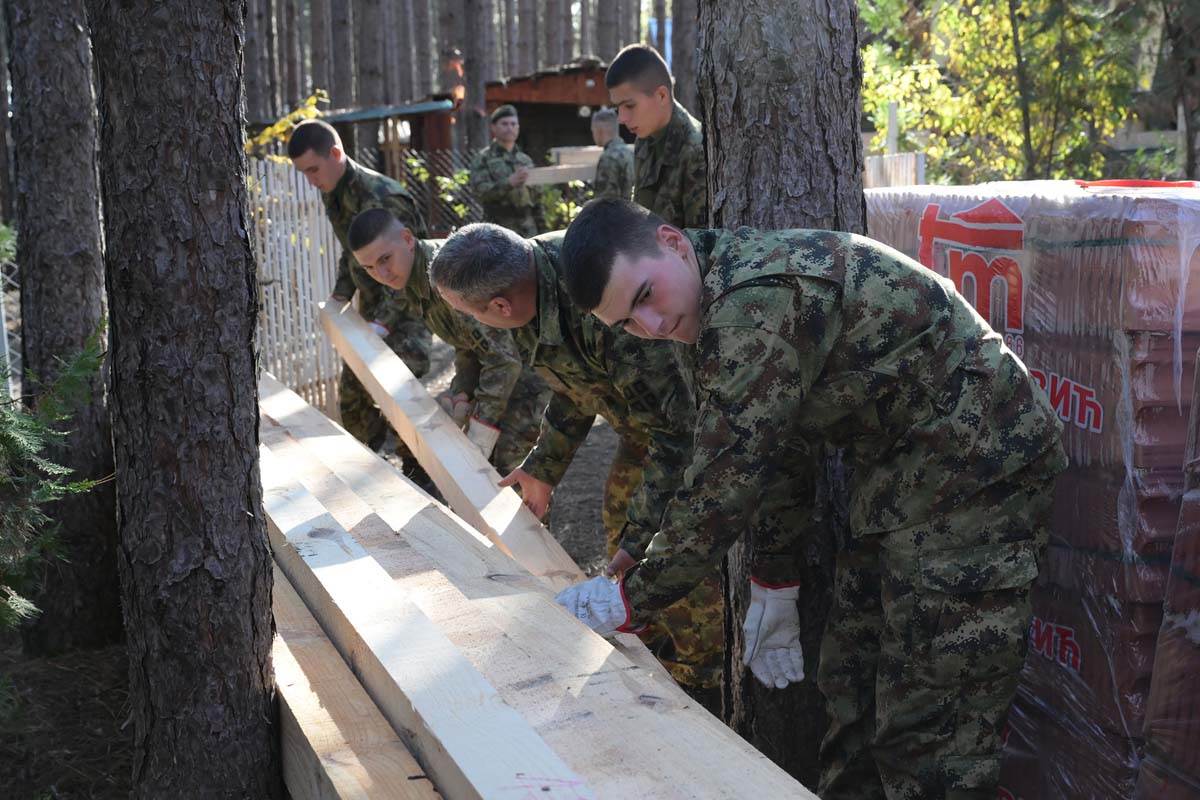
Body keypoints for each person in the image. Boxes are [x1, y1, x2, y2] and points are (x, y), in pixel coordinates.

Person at [555, 199, 1068, 800]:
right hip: (903, 478)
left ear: (672, 242)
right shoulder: (707, 303)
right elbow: (774, 448)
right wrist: (773, 575)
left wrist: (630, 598)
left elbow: (725, 481)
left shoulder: (754, 304)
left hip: (979, 471)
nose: (652, 327)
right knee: (851, 687)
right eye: (628, 325)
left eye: (644, 298)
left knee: (931, 730)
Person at [428, 222, 724, 708]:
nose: (476, 325)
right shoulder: (527, 286)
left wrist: (640, 542)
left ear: (500, 307)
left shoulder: (601, 298)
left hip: (704, 433)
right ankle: (653, 651)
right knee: (622, 535)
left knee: (670, 560)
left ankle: (704, 685)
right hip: (649, 425)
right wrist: (543, 467)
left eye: (470, 314)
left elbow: (679, 430)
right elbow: (574, 385)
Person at [286, 120, 433, 484]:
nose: (311, 181)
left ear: (336, 154)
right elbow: (352, 255)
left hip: (409, 310)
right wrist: (340, 293)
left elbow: (416, 268)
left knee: (402, 397)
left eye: (313, 170)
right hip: (373, 314)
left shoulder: (385, 196)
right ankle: (367, 479)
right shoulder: (333, 192)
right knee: (353, 399)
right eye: (304, 173)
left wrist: (383, 322)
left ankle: (423, 479)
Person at [347, 208, 548, 473]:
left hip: (532, 370)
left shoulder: (448, 276)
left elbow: (503, 360)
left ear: (407, 239)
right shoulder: (413, 278)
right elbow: (468, 343)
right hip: (508, 372)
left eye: (385, 259)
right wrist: (462, 389)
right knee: (482, 475)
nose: (382, 274)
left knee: (510, 475)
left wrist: (482, 427)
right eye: (370, 267)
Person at [605, 44, 706, 228]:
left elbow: (700, 245)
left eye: (629, 106)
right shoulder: (645, 140)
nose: (621, 118)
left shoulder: (696, 151)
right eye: (617, 108)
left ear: (661, 96)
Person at [467, 105, 545, 237]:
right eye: (504, 124)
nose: (510, 128)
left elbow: (537, 198)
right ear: (493, 127)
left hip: (528, 229)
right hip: (497, 229)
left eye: (513, 124)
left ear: (518, 128)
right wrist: (509, 183)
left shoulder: (525, 160)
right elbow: (480, 192)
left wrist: (542, 230)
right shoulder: (483, 158)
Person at [589, 108, 634, 202]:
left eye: (593, 130)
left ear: (599, 131)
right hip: (631, 213)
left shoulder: (609, 158)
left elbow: (604, 201)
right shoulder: (629, 153)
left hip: (615, 214)